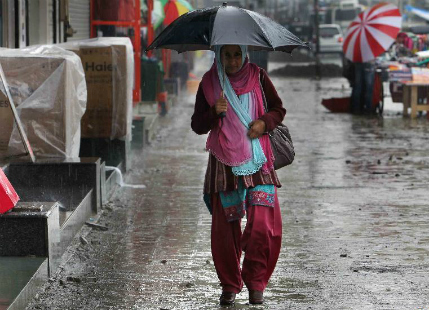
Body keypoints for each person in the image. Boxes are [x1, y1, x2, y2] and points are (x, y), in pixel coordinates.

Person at [191, 45, 286, 306]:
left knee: (263, 225)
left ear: (244, 55)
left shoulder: (259, 76)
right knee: (225, 229)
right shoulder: (210, 82)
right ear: (218, 55)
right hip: (224, 163)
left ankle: (256, 282)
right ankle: (230, 285)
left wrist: (264, 123)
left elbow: (278, 109)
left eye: (236, 55)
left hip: (259, 159)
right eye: (226, 55)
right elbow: (197, 125)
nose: (232, 61)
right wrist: (213, 112)